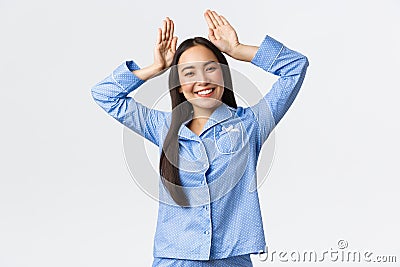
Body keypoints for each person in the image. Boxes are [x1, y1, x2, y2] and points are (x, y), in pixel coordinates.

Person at [91, 9, 309, 267]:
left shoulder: (250, 124)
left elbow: (296, 67)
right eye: (189, 73)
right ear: (178, 84)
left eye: (210, 69)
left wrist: (238, 49)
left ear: (224, 75)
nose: (202, 80)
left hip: (232, 257)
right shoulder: (162, 126)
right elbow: (104, 94)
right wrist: (156, 68)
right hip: (175, 258)